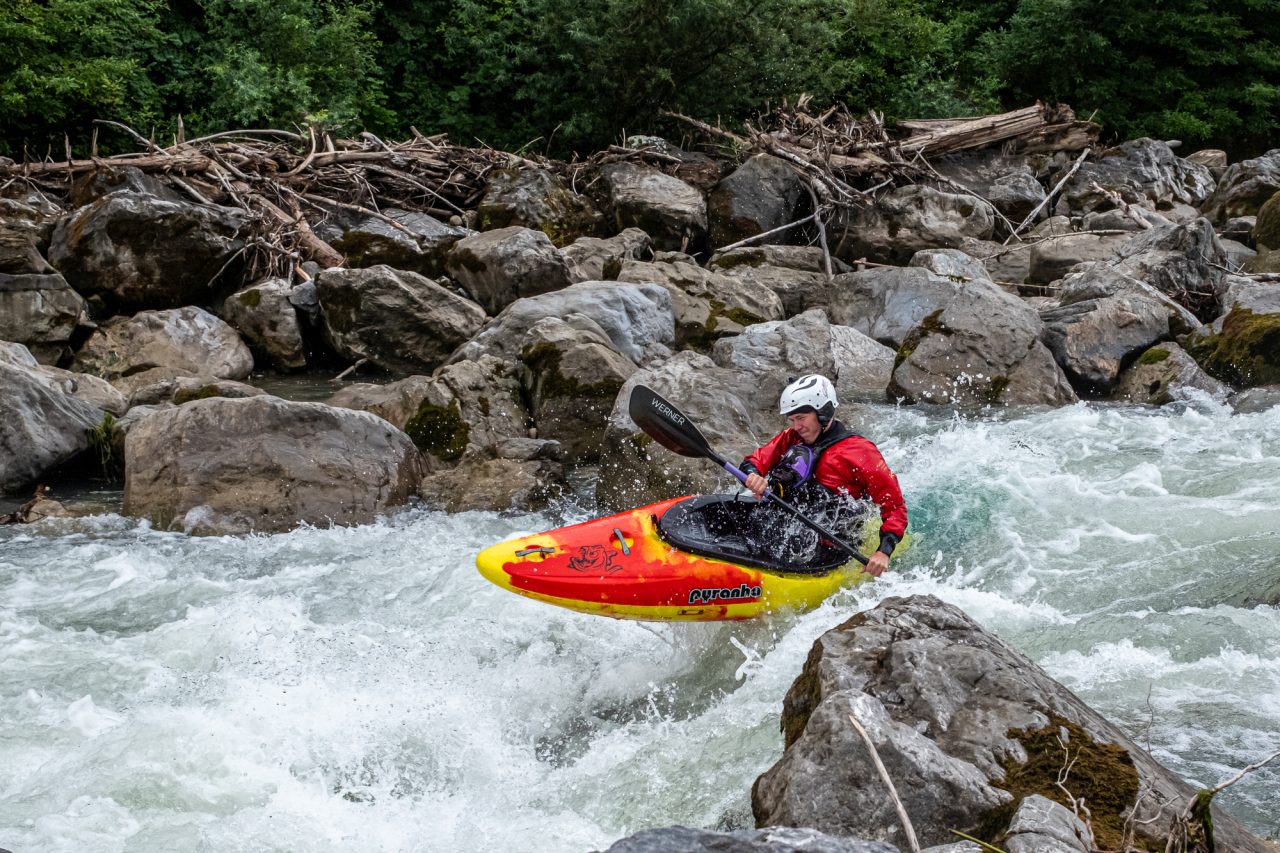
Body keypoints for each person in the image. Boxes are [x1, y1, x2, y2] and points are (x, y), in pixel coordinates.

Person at [740, 374, 907, 577]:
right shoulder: (791, 437)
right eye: (792, 420)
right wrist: (753, 476)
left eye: (801, 418)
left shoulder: (859, 451)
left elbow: (894, 506)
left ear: (823, 413)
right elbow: (753, 461)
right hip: (781, 525)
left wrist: (883, 552)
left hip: (827, 547)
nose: (796, 426)